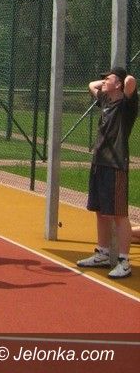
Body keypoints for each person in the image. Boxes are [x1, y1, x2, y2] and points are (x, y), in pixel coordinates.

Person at [77, 66, 138, 279]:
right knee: (100, 211)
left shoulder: (126, 105)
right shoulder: (106, 101)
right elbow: (91, 85)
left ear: (119, 84)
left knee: (119, 214)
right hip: (99, 162)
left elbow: (131, 81)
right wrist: (108, 81)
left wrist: (120, 78)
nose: (103, 81)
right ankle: (102, 253)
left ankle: (124, 261)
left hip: (115, 165)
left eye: (108, 78)